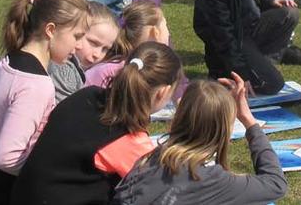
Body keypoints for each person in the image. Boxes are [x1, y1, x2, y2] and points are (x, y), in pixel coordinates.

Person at [10, 42, 182, 205]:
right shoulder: (128, 141)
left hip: (25, 195)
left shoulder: (87, 95)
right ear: (163, 92)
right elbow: (160, 187)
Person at [0, 0, 90, 204]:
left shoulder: (8, 60)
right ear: (51, 29)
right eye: (77, 36)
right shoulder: (36, 85)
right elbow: (6, 157)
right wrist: (48, 175)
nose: (79, 46)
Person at [112, 74, 288, 205]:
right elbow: (275, 184)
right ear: (224, 131)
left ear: (180, 116)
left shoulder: (153, 158)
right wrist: (249, 121)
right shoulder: (211, 179)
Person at [85, 1, 171, 89]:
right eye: (166, 25)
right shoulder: (122, 71)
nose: (168, 33)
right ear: (155, 33)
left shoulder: (120, 64)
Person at [49, 2, 120, 102]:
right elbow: (68, 113)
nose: (97, 54)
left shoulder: (77, 69)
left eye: (105, 49)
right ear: (77, 33)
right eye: (93, 43)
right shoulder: (64, 71)